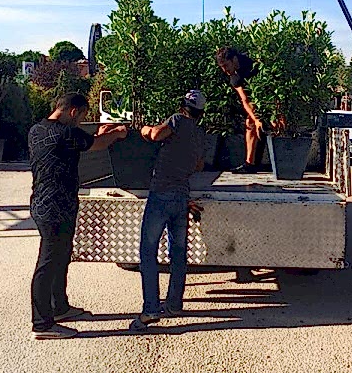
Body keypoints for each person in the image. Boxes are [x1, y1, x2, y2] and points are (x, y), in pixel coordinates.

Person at [29, 93, 128, 339]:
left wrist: (100, 134)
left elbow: (88, 139)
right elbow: (97, 144)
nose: (81, 121)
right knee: (48, 262)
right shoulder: (67, 133)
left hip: (42, 202)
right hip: (57, 206)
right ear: (73, 112)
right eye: (82, 116)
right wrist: (118, 133)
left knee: (61, 256)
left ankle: (60, 308)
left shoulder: (37, 130)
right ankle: (42, 324)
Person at [130, 90, 206, 332]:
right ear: (201, 113)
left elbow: (155, 135)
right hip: (182, 196)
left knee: (148, 251)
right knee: (178, 252)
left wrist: (143, 129)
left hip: (161, 194)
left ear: (183, 107)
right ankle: (174, 303)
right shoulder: (199, 133)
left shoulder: (177, 120)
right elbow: (199, 165)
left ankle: (151, 309)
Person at [215, 46, 265, 174]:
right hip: (256, 101)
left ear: (234, 59)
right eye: (222, 67)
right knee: (250, 123)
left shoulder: (251, 63)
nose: (225, 70)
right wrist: (256, 120)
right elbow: (245, 100)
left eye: (226, 65)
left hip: (271, 95)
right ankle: (249, 164)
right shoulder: (234, 77)